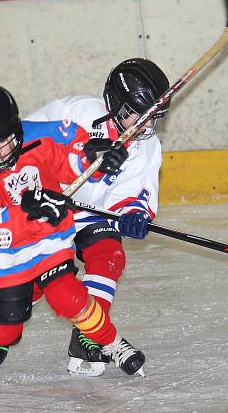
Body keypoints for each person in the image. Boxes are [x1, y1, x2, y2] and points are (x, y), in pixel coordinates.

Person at [0, 84, 145, 377]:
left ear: (14, 129)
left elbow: (72, 156)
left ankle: (111, 342)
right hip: (5, 254)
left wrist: (94, 157)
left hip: (50, 238)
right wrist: (27, 211)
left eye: (1, 143)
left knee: (69, 296)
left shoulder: (41, 135)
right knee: (5, 330)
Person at [25, 58, 168, 376]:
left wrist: (132, 214)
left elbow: (135, 190)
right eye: (138, 116)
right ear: (116, 103)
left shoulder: (147, 146)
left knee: (109, 254)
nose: (145, 126)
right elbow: (24, 142)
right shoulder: (77, 112)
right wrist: (79, 152)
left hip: (91, 214)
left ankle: (89, 334)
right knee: (32, 288)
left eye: (152, 118)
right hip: (48, 210)